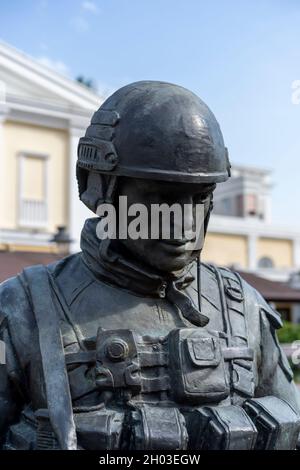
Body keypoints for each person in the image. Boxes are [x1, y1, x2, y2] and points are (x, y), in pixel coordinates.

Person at [0, 81, 299, 450]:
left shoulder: (244, 308)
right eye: (161, 198)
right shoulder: (21, 309)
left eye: (200, 197)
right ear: (103, 190)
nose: (185, 225)